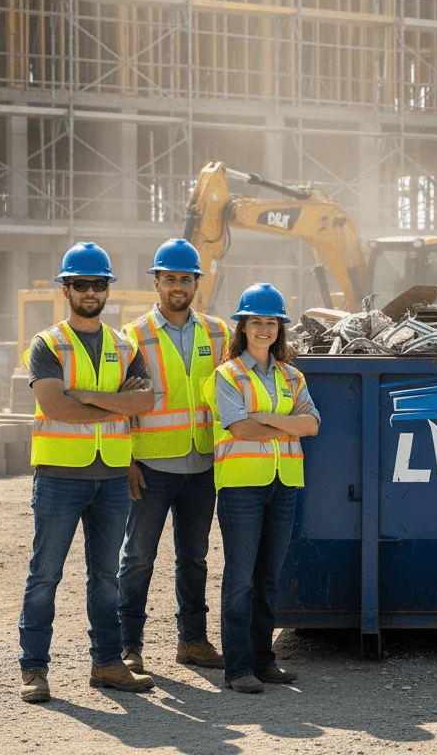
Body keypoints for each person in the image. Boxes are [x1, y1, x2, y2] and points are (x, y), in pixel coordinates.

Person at [17, 242, 156, 703]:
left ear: (107, 289)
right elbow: (54, 405)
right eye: (81, 284)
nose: (90, 291)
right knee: (45, 575)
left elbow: (145, 403)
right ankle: (34, 669)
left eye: (98, 284)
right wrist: (114, 405)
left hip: (112, 476)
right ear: (66, 289)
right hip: (60, 475)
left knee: (106, 578)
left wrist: (86, 398)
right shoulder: (48, 344)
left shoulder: (125, 345)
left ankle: (108, 665)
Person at [117, 239, 232, 674]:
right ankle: (129, 645)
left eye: (186, 278)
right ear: (157, 282)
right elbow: (120, 401)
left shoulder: (217, 332)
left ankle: (193, 642)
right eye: (170, 279)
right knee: (138, 557)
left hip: (201, 463)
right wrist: (126, 460)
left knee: (195, 558)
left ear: (197, 283)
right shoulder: (133, 336)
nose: (178, 286)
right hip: (150, 465)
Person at [201, 283, 320, 694]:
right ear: (243, 326)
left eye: (271, 322)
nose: (264, 329)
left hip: (283, 484)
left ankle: (264, 660)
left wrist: (267, 417)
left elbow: (312, 425)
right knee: (240, 579)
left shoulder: (292, 374)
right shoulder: (227, 375)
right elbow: (240, 428)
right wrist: (285, 422)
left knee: (269, 577)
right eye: (256, 322)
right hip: (241, 488)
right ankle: (237, 667)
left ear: (280, 328)